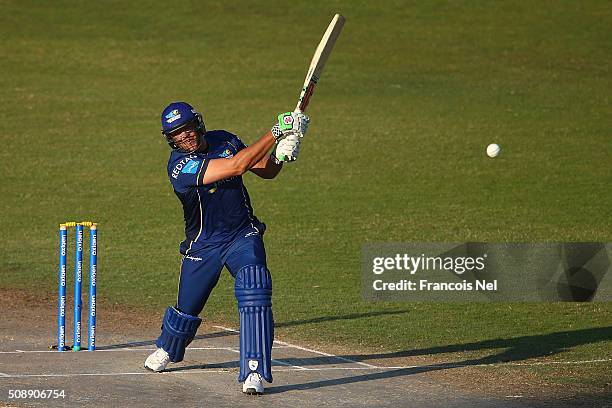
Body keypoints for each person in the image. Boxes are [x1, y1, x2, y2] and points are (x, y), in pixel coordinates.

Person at [144, 101, 309, 395]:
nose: (185, 137)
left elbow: (264, 169)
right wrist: (276, 132)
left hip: (242, 235)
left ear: (198, 123)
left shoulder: (226, 140)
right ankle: (169, 347)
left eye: (187, 129)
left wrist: (282, 153)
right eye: (177, 134)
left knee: (254, 286)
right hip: (204, 244)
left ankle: (254, 370)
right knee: (187, 308)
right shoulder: (179, 167)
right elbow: (237, 166)